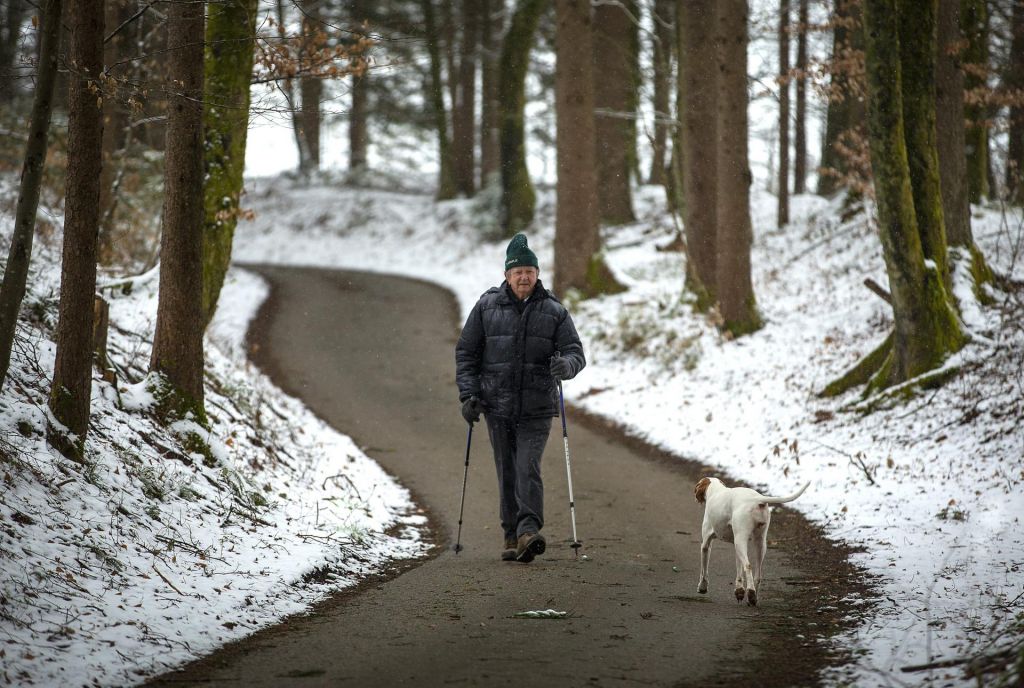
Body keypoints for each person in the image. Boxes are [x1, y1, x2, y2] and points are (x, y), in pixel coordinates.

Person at [455, 233, 586, 563]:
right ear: (507, 276)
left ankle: (529, 531)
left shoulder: (554, 311)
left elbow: (575, 352)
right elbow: (467, 353)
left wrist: (565, 365)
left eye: (530, 271)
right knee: (507, 470)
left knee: (527, 466)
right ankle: (511, 534)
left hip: (537, 407)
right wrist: (469, 395)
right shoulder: (486, 307)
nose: (524, 277)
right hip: (496, 406)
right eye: (518, 272)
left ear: (538, 274)